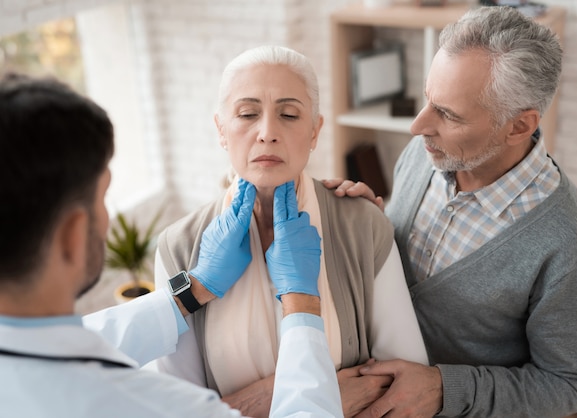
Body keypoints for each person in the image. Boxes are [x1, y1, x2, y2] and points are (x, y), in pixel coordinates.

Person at [325, 6, 577, 418]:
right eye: (429, 99)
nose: (418, 125)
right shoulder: (426, 154)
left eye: (448, 114)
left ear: (519, 126)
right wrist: (370, 225)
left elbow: (567, 385)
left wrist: (445, 389)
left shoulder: (571, 248)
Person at [0, 72, 344, 417]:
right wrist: (302, 303)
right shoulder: (150, 406)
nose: (267, 133)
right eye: (103, 197)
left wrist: (189, 291)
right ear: (72, 235)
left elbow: (84, 343)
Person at [153, 45, 428, 417]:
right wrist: (283, 395)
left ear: (314, 131)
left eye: (289, 114)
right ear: (221, 129)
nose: (267, 133)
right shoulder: (179, 247)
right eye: (248, 114)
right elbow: (174, 409)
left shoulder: (362, 226)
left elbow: (405, 388)